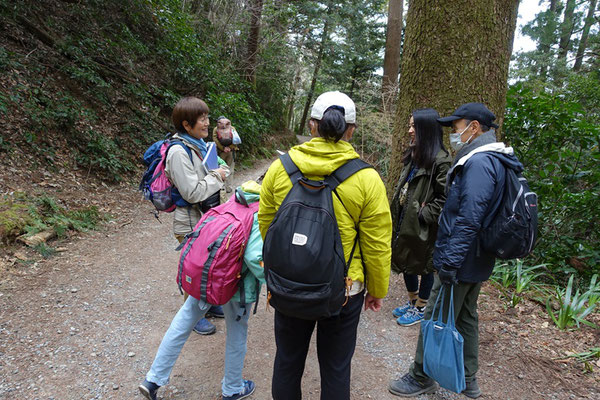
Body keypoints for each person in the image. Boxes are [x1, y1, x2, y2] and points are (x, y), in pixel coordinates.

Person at [258, 91, 392, 400]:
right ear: (351, 130)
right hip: (344, 290)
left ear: (312, 125)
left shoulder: (281, 168)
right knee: (335, 368)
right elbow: (377, 242)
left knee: (288, 362)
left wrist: (286, 262)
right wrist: (377, 289)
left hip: (289, 285)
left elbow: (267, 222)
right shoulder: (367, 178)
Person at [389, 103, 523, 399]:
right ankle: (468, 378)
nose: (453, 132)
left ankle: (420, 375)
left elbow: (469, 217)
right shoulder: (494, 159)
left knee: (435, 311)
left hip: (462, 257)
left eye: (456, 126)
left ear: (474, 127)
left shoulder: (479, 163)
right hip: (478, 257)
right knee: (465, 316)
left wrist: (449, 260)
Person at [139, 180, 265, 400]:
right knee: (237, 332)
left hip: (204, 278)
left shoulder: (227, 206)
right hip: (235, 286)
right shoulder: (257, 215)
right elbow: (255, 257)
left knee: (183, 321)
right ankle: (233, 388)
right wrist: (278, 284)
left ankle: (153, 379)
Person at [165, 97, 230, 335]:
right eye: (201, 119)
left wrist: (221, 171)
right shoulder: (178, 152)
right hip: (190, 221)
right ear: (186, 124)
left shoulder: (201, 145)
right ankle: (191, 316)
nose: (206, 123)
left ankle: (209, 306)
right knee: (194, 269)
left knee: (209, 264)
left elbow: (218, 168)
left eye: (206, 117)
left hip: (206, 217)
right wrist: (218, 176)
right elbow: (192, 193)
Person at [390, 108, 451, 326]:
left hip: (424, 225)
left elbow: (445, 197)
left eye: (414, 126)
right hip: (404, 219)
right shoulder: (414, 155)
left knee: (424, 264)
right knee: (405, 258)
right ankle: (412, 300)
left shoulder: (441, 161)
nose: (409, 131)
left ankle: (422, 307)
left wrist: (424, 215)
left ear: (426, 129)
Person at [214, 116, 239, 193]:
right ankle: (228, 187)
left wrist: (223, 148)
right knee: (230, 168)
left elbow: (215, 140)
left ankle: (222, 187)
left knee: (221, 168)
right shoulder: (232, 128)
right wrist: (230, 147)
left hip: (221, 153)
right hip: (231, 152)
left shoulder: (216, 129)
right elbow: (236, 140)